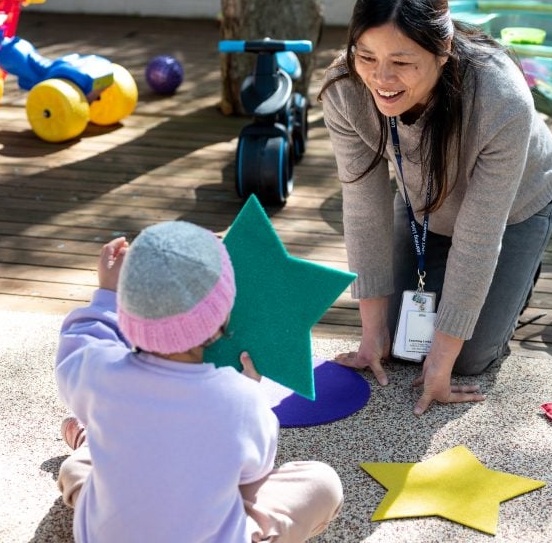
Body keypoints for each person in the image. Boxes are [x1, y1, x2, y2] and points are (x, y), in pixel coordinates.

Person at [319, 0, 552, 416]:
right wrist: (370, 335)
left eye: (403, 62)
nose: (381, 80)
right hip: (423, 206)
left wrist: (444, 360)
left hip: (514, 211)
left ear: (443, 50)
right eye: (367, 56)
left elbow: (479, 236)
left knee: (465, 359)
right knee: (397, 343)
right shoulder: (343, 89)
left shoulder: (502, 99)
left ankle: (521, 272)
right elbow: (363, 208)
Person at [55, 221, 343, 542]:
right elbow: (255, 472)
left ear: (127, 308)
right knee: (322, 483)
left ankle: (91, 440)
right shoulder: (241, 400)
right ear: (220, 317)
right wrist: (249, 391)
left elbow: (81, 338)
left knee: (79, 470)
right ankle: (93, 441)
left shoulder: (96, 372)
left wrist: (108, 294)